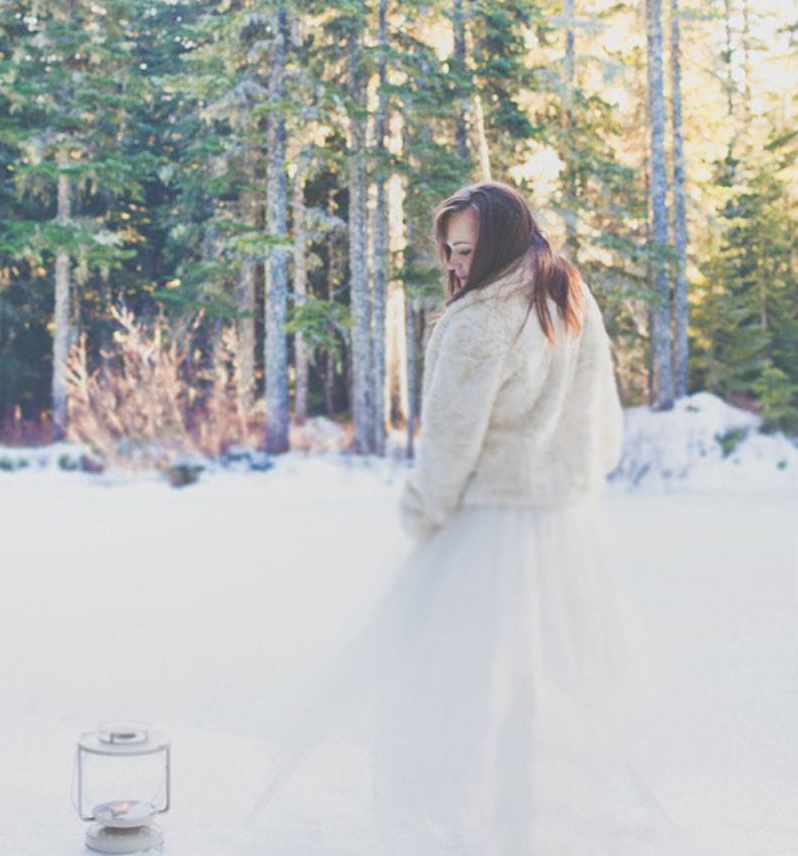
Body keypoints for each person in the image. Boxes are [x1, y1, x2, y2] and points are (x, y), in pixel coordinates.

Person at [210, 182, 783, 855]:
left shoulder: (476, 320)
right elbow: (602, 408)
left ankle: (469, 834)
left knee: (455, 696)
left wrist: (426, 512)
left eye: (466, 251)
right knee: (554, 693)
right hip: (565, 525)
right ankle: (542, 829)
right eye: (449, 250)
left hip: (490, 526)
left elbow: (453, 440)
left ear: (501, 241)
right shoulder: (565, 290)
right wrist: (581, 477)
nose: (455, 266)